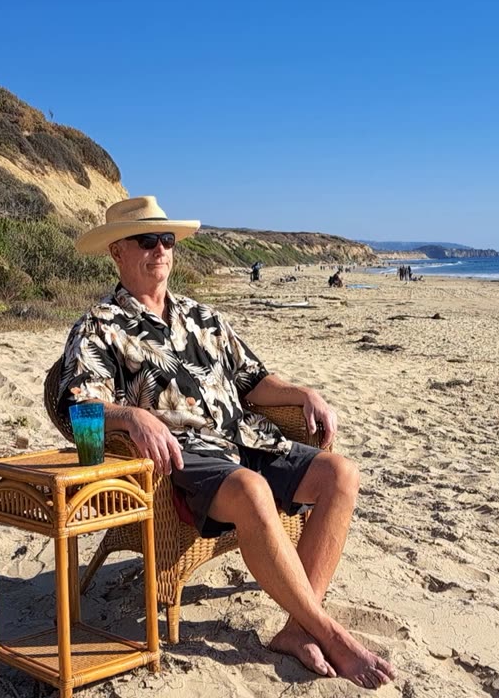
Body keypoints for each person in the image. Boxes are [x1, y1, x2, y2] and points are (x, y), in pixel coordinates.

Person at [60, 196, 396, 689]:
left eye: (166, 239)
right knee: (252, 490)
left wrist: (304, 393)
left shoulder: (204, 317)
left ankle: (296, 629)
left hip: (246, 439)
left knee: (341, 474)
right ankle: (330, 633)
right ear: (117, 252)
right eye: (146, 240)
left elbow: (255, 381)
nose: (160, 250)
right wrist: (131, 416)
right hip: (181, 458)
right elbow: (79, 406)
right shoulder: (100, 325)